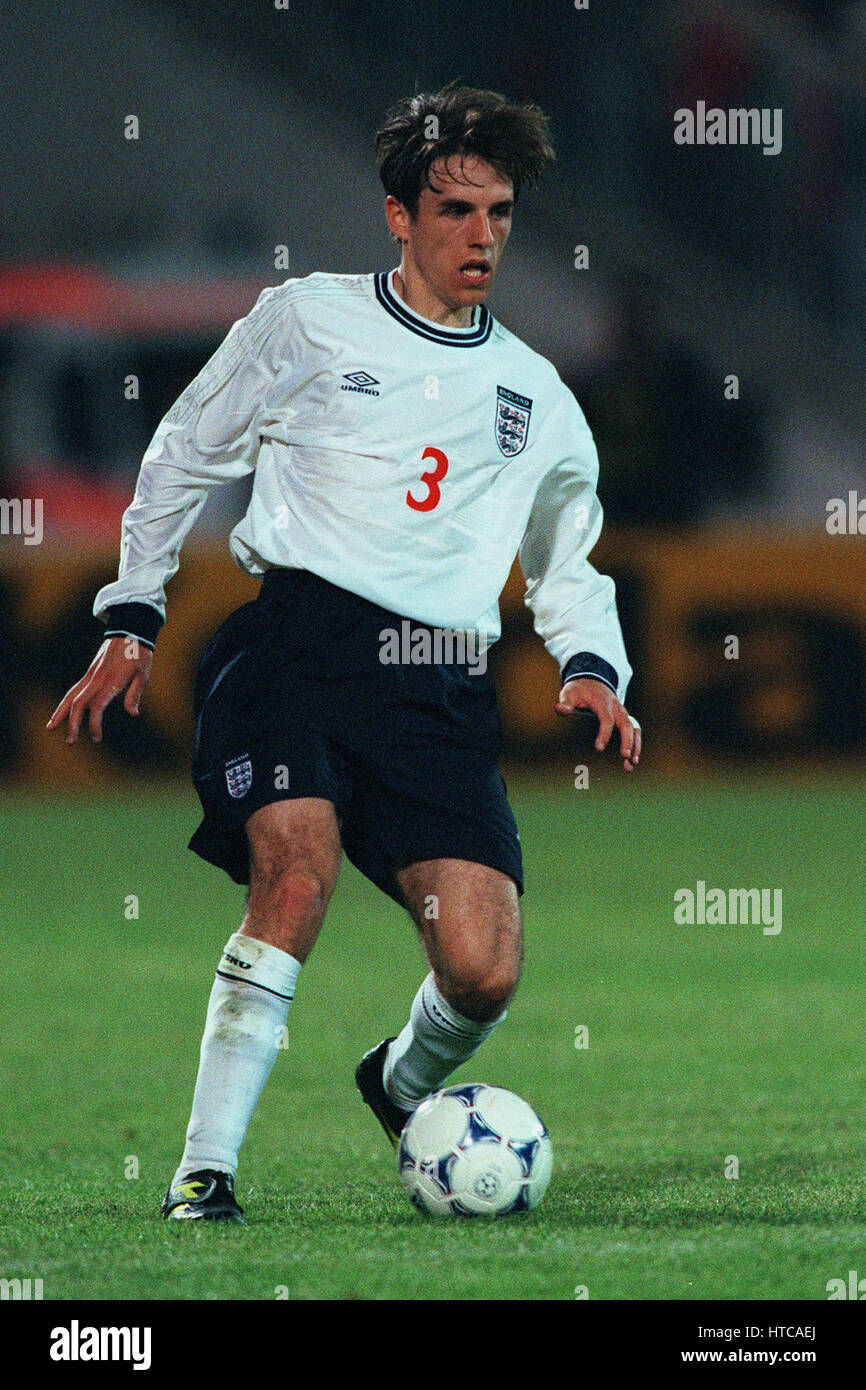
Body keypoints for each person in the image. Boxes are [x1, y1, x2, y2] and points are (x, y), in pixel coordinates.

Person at [47, 84, 640, 1223]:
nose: (480, 237)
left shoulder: (536, 395)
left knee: (482, 968)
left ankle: (399, 1082)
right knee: (297, 873)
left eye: (499, 214)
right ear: (396, 217)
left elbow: (570, 555)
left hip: (439, 691)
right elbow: (181, 453)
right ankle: (202, 1171)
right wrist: (132, 613)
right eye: (454, 210)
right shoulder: (305, 320)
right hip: (297, 654)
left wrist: (587, 663)